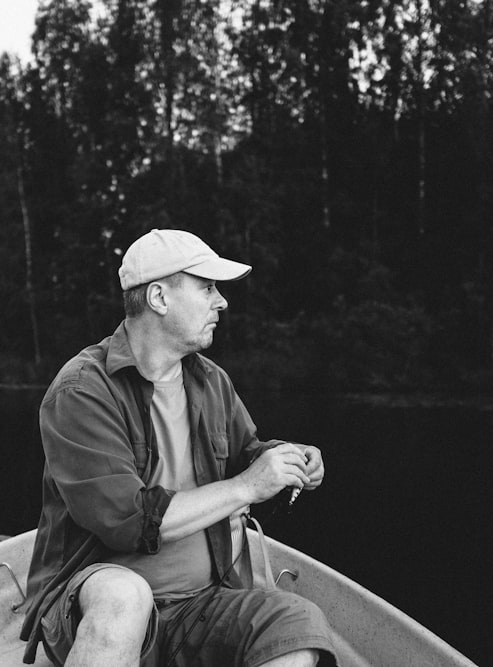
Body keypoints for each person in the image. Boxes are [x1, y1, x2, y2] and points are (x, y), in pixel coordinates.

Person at [20, 229, 337, 666]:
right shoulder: (81, 391)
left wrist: (286, 457)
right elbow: (126, 519)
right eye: (207, 287)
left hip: (202, 606)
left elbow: (248, 452)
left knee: (297, 626)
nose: (221, 302)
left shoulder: (211, 381)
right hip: (97, 607)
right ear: (159, 298)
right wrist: (247, 486)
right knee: (125, 597)